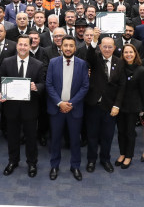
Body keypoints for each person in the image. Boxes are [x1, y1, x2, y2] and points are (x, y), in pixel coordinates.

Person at [0, 35, 46, 177]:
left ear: (30, 47)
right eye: (20, 45)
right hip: (11, 108)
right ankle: (13, 161)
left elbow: (43, 84)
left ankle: (32, 163)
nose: (23, 47)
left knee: (31, 138)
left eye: (26, 45)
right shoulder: (7, 62)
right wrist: (0, 92)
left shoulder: (38, 64)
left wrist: (36, 87)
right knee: (12, 137)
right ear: (16, 46)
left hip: (30, 108)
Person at [45, 36, 90, 181]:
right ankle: (54, 165)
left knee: (75, 140)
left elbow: (85, 86)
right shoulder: (53, 62)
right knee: (55, 139)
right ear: (61, 47)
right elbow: (49, 85)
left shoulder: (82, 64)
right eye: (66, 45)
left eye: (71, 45)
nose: (68, 48)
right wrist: (60, 103)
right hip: (56, 108)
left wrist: (71, 103)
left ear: (75, 48)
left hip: (74, 108)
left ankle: (75, 166)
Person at [83, 35, 125, 173]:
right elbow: (89, 55)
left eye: (110, 47)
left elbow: (121, 86)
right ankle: (91, 160)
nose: (107, 49)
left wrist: (117, 105)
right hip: (93, 104)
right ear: (100, 47)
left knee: (107, 136)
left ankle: (105, 159)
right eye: (104, 46)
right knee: (92, 135)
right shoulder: (95, 59)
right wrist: (94, 40)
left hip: (110, 107)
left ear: (114, 48)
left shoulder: (119, 62)